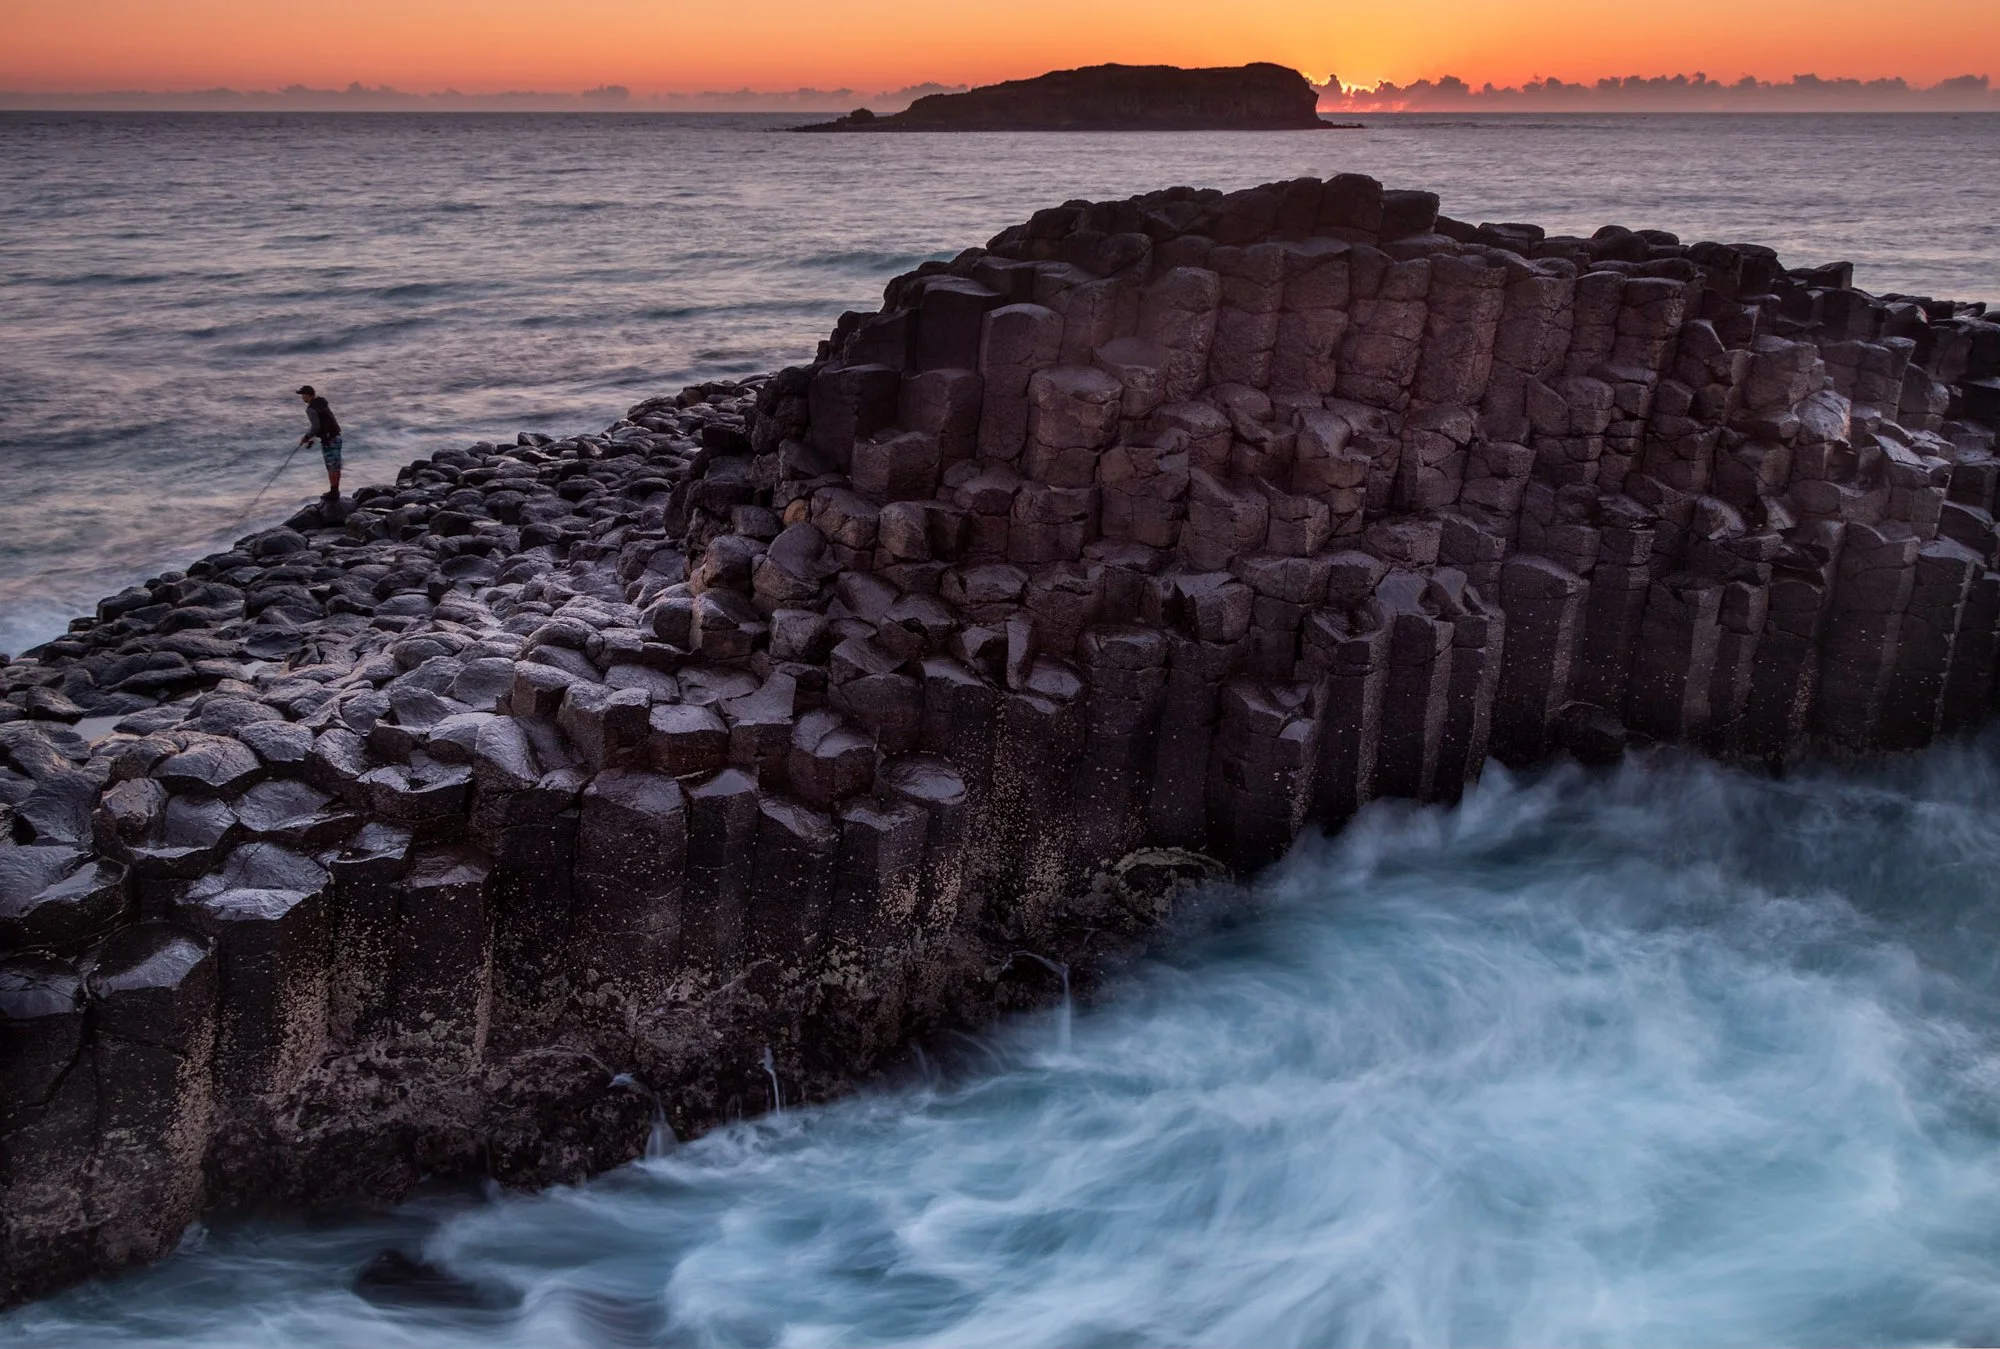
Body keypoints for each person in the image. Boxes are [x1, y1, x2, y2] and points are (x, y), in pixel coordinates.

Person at [296, 385, 343, 499]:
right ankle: (335, 490)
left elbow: (316, 427)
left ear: (308, 395)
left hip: (329, 441)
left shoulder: (311, 409)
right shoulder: (322, 403)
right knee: (336, 466)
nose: (302, 397)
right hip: (337, 437)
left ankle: (333, 493)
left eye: (303, 395)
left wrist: (306, 437)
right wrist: (313, 438)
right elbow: (324, 424)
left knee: (331, 467)